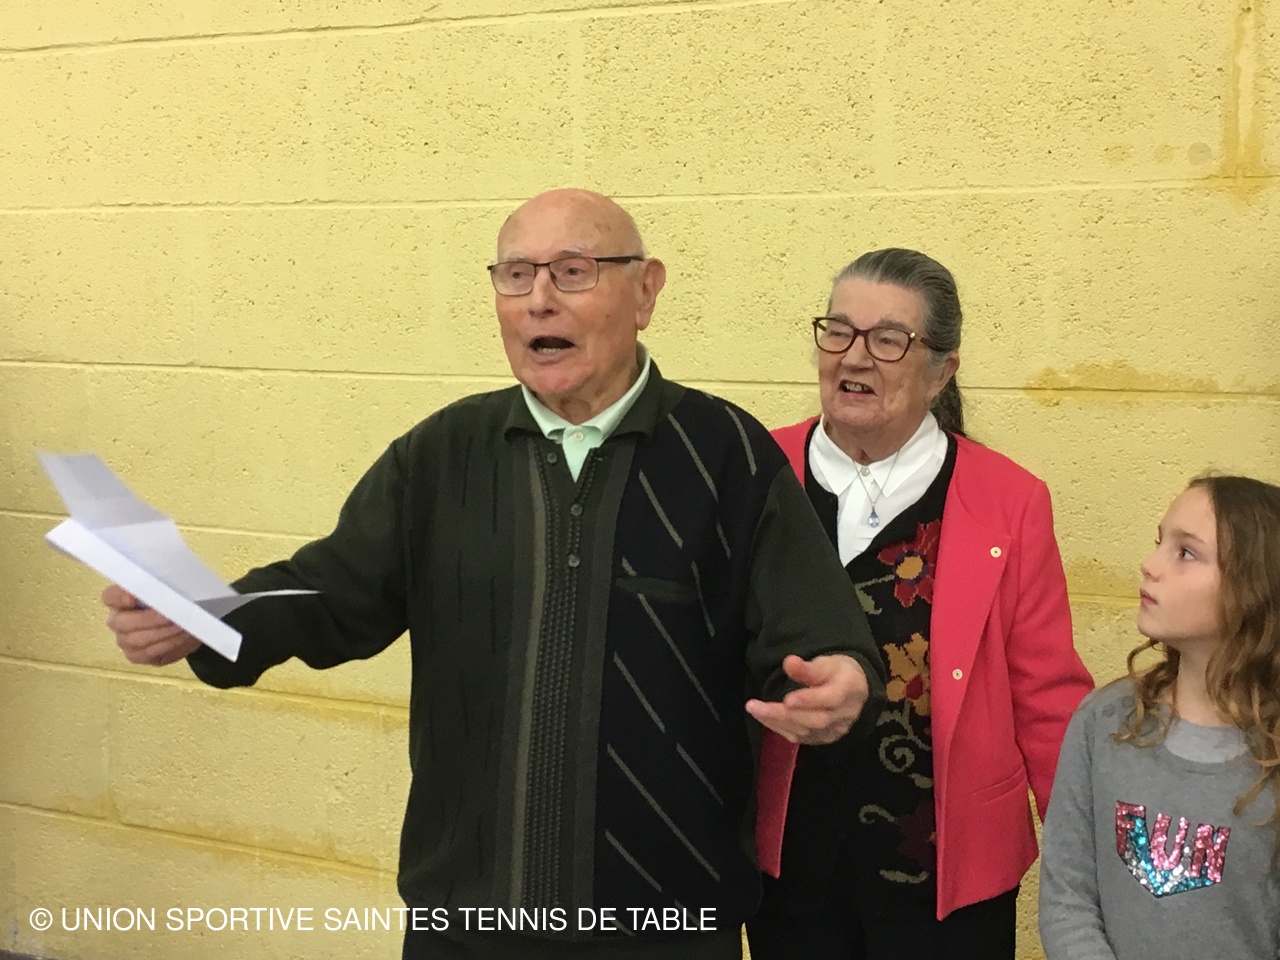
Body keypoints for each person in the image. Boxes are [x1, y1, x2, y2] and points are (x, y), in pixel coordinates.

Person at [101, 188, 887, 960]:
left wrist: (841, 676)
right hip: (465, 922)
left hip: (666, 924)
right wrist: (209, 614)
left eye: (573, 271)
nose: (539, 300)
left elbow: (814, 626)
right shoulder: (440, 457)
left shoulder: (726, 453)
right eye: (516, 275)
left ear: (646, 291)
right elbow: (331, 592)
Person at [747, 248, 1094, 960]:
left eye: (888, 339)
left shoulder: (1009, 500)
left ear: (941, 371)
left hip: (949, 877)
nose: (854, 357)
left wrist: (1090, 861)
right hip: (792, 866)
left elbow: (1046, 695)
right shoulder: (757, 471)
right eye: (838, 331)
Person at [1038, 475, 1280, 959]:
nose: (1150, 565)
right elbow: (1067, 898)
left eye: (1186, 552)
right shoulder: (1103, 721)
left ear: (1253, 588)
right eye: (1159, 542)